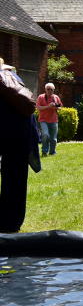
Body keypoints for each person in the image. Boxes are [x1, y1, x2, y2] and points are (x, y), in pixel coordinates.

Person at [0, 59, 35, 233]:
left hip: (10, 132)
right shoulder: (13, 76)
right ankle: (11, 222)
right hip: (19, 133)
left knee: (13, 177)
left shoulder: (4, 78)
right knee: (15, 178)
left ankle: (8, 222)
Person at [35, 82, 62, 156]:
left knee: (53, 138)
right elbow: (38, 107)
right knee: (45, 135)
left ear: (53, 90)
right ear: (45, 90)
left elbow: (60, 107)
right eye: (48, 89)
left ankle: (52, 152)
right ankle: (44, 151)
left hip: (54, 120)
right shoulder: (41, 97)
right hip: (43, 120)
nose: (50, 91)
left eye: (51, 89)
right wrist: (48, 106)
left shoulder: (56, 97)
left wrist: (56, 107)